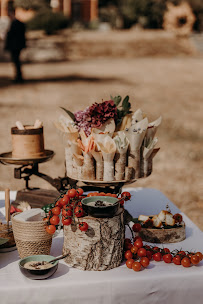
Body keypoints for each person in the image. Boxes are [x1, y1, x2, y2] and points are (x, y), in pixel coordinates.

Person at [4, 9, 26, 83]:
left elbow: (13, 36)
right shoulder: (16, 23)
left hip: (15, 46)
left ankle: (19, 77)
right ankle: (18, 76)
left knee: (16, 62)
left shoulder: (16, 24)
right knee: (16, 62)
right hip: (16, 46)